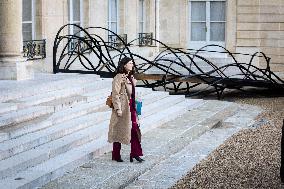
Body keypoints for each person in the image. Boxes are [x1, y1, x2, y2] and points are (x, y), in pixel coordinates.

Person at [108, 56, 144, 163]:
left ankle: (135, 153)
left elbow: (132, 94)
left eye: (132, 63)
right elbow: (115, 94)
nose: (132, 65)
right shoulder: (119, 77)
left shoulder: (130, 77)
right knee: (119, 131)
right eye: (130, 63)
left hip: (131, 107)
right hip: (123, 108)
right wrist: (118, 109)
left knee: (134, 130)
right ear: (124, 65)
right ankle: (116, 155)